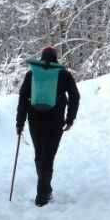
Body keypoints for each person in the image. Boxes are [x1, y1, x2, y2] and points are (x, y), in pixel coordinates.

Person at [16, 46, 80, 207]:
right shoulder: (64, 74)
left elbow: (23, 99)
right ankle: (42, 196)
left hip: (34, 120)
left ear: (42, 57)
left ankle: (45, 190)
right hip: (55, 121)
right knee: (48, 157)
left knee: (39, 154)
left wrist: (20, 122)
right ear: (55, 58)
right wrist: (70, 118)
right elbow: (75, 97)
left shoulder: (32, 74)